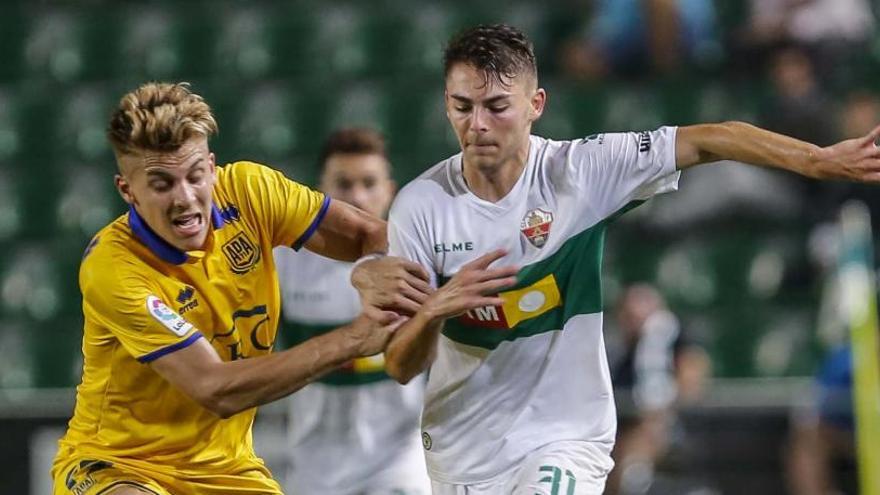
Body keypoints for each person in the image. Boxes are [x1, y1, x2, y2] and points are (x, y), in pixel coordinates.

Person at [381, 24, 880, 494]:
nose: (477, 125)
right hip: (459, 450)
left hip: (566, 436)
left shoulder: (580, 172)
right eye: (462, 106)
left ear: (536, 104)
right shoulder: (421, 208)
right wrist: (435, 309)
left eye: (496, 106)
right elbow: (402, 366)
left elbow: (712, 138)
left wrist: (816, 160)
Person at [51, 82, 434, 495]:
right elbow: (214, 388)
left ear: (212, 167)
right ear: (128, 191)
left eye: (196, 176)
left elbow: (368, 233)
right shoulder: (114, 267)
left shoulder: (251, 193)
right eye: (162, 184)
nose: (185, 198)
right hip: (118, 464)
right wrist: (354, 339)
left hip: (227, 470)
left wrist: (369, 268)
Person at [274, 128, 430, 495]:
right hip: (315, 465)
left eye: (369, 183)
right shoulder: (284, 263)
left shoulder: (420, 261)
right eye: (343, 184)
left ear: (390, 191)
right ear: (321, 193)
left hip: (399, 462)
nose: (358, 196)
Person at [607, 284, 710, 495]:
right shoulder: (620, 359)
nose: (634, 317)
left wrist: (660, 413)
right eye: (627, 313)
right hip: (625, 433)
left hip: (675, 426)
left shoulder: (676, 338)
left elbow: (692, 382)